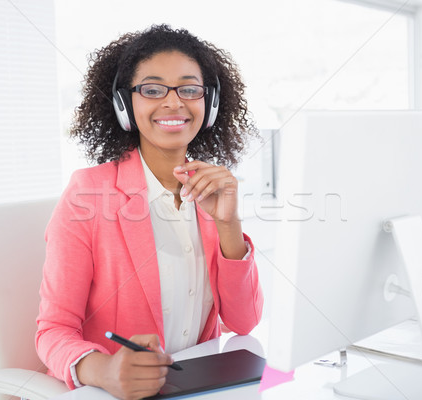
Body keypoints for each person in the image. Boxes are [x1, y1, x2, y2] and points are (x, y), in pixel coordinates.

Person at [35, 24, 263, 400]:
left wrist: (228, 223)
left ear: (210, 103)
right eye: (152, 90)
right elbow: (52, 330)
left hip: (199, 388)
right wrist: (104, 370)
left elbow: (244, 322)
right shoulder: (88, 194)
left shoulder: (211, 189)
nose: (174, 103)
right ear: (125, 104)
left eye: (190, 89)